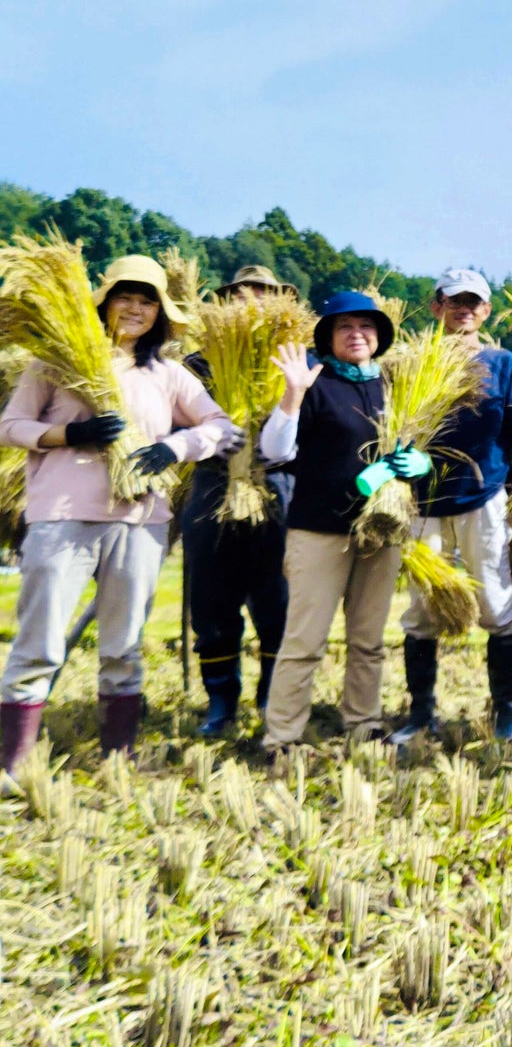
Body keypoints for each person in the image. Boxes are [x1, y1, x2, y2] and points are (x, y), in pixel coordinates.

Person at [0, 256, 234, 774]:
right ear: (103, 303)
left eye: (147, 300)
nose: (135, 308)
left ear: (160, 313)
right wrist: (68, 435)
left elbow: (221, 426)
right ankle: (10, 767)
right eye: (125, 296)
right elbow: (9, 425)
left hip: (141, 520)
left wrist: (174, 448)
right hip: (62, 516)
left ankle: (116, 759)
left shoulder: (169, 373)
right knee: (39, 643)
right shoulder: (55, 362)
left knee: (124, 646)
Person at [258, 292, 429, 754]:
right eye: (345, 327)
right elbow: (274, 451)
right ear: (329, 338)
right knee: (305, 640)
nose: (357, 334)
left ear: (380, 335)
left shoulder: (396, 386)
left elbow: (417, 442)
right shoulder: (316, 385)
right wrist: (293, 394)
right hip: (319, 530)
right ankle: (283, 735)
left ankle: (364, 724)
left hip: (381, 533)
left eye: (366, 326)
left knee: (369, 639)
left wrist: (420, 463)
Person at [390, 270, 512, 745]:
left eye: (474, 302)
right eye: (455, 301)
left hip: (484, 500)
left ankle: (504, 717)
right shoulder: (415, 362)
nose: (464, 310)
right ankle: (421, 716)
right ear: (437, 307)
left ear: (486, 311)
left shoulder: (501, 364)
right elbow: (396, 427)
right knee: (421, 611)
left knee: (497, 605)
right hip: (424, 504)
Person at [186, 264, 303, 738]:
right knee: (211, 604)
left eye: (263, 294)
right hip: (213, 485)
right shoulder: (197, 364)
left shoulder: (292, 360)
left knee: (279, 604)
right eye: (241, 294)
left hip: (277, 489)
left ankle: (271, 700)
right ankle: (221, 703)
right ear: (227, 301)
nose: (251, 302)